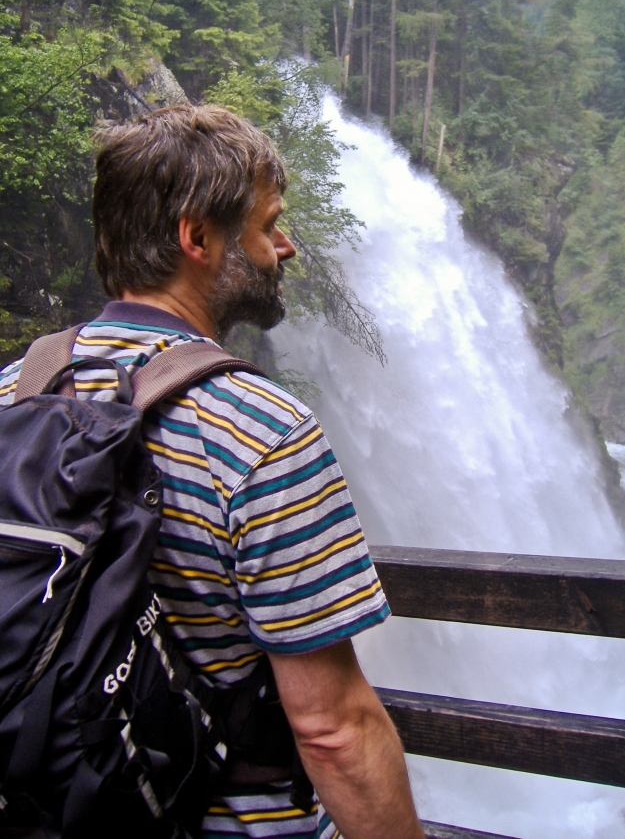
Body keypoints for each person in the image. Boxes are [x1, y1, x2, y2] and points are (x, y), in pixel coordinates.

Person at [0, 105, 426, 839]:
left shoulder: (12, 391)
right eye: (267, 225)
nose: (284, 247)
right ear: (196, 237)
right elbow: (333, 729)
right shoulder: (261, 431)